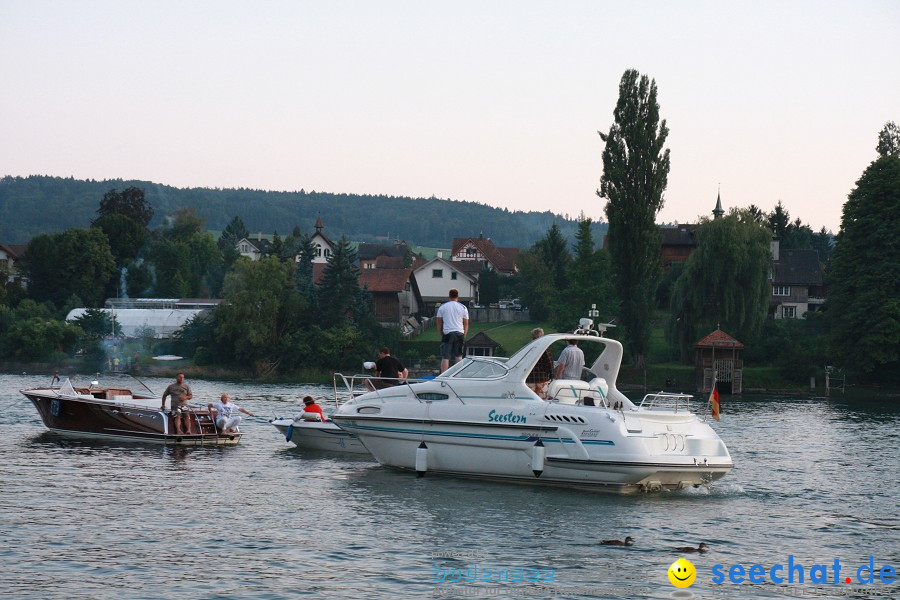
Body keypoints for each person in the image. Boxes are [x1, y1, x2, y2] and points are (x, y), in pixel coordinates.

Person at [436, 288, 469, 373]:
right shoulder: (463, 307)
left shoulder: (442, 307)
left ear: (449, 296)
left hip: (447, 333)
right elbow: (466, 323)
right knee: (458, 356)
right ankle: (457, 376)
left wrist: (441, 333)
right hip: (459, 333)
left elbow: (439, 322)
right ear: (457, 296)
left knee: (445, 357)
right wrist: (464, 334)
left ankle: (444, 376)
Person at [525, 328, 554, 399]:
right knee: (542, 400)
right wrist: (552, 375)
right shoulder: (544, 348)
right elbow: (549, 362)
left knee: (530, 399)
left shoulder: (528, 348)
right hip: (542, 378)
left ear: (532, 337)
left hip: (530, 377)